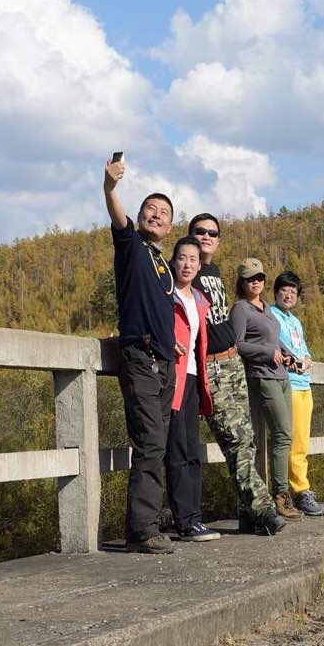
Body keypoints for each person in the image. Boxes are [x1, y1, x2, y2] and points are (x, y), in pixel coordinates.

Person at [185, 212, 284, 536]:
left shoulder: (212, 272)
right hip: (211, 365)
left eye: (212, 232)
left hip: (232, 363)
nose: (206, 237)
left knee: (247, 441)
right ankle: (264, 509)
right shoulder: (186, 272)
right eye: (199, 232)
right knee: (236, 439)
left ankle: (248, 517)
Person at [102, 154, 177, 554]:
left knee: (158, 443)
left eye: (164, 213)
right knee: (149, 441)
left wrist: (174, 345)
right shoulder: (131, 244)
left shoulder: (163, 262)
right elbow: (118, 215)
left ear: (169, 226)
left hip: (166, 361)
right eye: (151, 209)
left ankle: (148, 521)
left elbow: (161, 307)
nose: (156, 215)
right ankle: (142, 529)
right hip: (140, 355)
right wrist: (110, 186)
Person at [230, 258, 301, 525]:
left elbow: (275, 340)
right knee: (282, 435)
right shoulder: (240, 309)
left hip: (282, 376)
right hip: (262, 376)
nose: (256, 282)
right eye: (250, 278)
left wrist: (287, 354)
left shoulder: (266, 309)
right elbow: (237, 345)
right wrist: (266, 353)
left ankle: (276, 496)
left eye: (259, 277)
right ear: (242, 282)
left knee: (286, 435)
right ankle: (281, 497)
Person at [166, 237, 218, 543]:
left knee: (192, 451)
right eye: (182, 258)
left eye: (193, 260)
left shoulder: (199, 299)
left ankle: (194, 517)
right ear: (174, 261)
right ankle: (184, 521)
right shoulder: (165, 294)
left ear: (200, 265)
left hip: (194, 380)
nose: (187, 264)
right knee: (177, 451)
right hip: (173, 380)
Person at [269, 271, 324, 516]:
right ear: (276, 291)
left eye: (294, 291)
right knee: (290, 440)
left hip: (305, 384)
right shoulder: (271, 315)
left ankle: (300, 489)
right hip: (287, 383)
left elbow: (304, 348)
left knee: (302, 440)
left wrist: (308, 360)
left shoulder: (295, 320)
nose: (289, 294)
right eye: (285, 289)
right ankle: (300, 490)